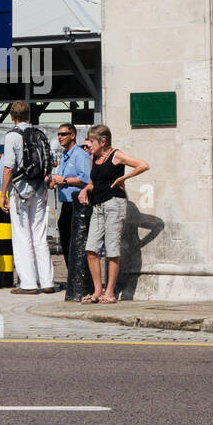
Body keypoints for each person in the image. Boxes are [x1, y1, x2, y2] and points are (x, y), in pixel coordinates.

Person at [77, 124, 149, 304]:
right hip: (98, 206)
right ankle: (97, 290)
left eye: (92, 141)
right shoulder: (94, 157)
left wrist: (123, 178)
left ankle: (109, 292)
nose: (89, 145)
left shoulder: (116, 155)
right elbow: (93, 182)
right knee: (91, 248)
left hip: (114, 204)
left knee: (112, 248)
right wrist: (85, 190)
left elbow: (143, 165)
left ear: (103, 141)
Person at [0, 100, 55, 294]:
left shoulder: (12, 136)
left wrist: (3, 193)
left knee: (22, 236)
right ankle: (47, 281)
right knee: (39, 234)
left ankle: (29, 283)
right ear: (28, 115)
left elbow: (8, 168)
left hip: (20, 189)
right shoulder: (39, 134)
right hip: (40, 189)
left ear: (12, 116)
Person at [48, 124, 91, 292]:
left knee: (75, 241)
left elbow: (85, 179)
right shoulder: (65, 155)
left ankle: (79, 278)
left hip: (77, 204)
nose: (60, 137)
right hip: (66, 203)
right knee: (67, 240)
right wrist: (55, 182)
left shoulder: (79, 155)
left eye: (64, 134)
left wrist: (64, 180)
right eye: (58, 134)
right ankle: (72, 275)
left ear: (73, 135)